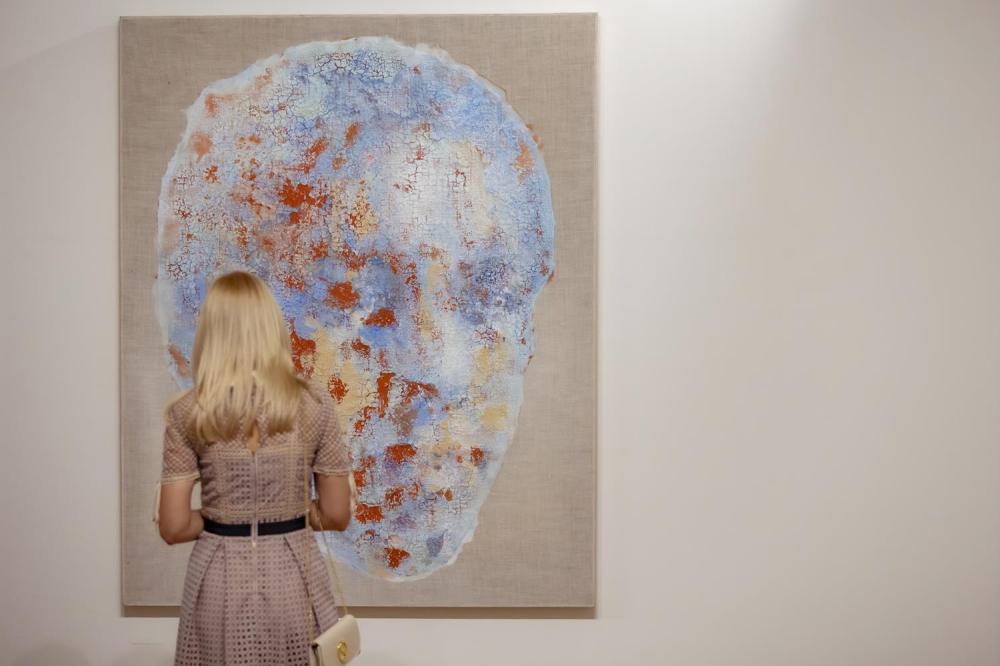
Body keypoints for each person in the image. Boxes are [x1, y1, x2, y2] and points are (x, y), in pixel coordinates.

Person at [154, 269, 353, 666]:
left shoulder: (187, 412)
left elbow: (173, 527)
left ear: (211, 332)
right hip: (295, 581)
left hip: (217, 580)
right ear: (271, 327)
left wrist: (219, 517)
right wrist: (292, 513)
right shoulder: (314, 405)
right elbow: (336, 513)